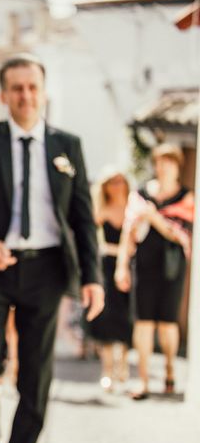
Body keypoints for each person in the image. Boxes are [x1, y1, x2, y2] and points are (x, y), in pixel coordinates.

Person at [0, 54, 104, 443]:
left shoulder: (68, 145)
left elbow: (83, 217)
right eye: (17, 88)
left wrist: (93, 278)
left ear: (44, 92)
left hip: (47, 270)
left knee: (35, 374)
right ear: (3, 94)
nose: (26, 95)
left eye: (32, 87)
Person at [115, 144, 194, 400]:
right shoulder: (140, 194)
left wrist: (154, 216)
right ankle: (144, 380)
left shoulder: (186, 197)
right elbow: (128, 230)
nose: (163, 167)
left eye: (169, 162)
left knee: (167, 322)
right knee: (143, 321)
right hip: (144, 265)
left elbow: (180, 233)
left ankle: (170, 369)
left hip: (172, 268)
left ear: (177, 166)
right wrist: (121, 265)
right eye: (160, 162)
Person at [89, 167, 133, 392]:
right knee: (106, 318)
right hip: (106, 268)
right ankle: (107, 369)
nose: (117, 186)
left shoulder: (133, 209)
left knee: (127, 317)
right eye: (112, 182)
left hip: (130, 268)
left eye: (120, 182)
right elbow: (91, 238)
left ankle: (122, 364)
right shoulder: (101, 210)